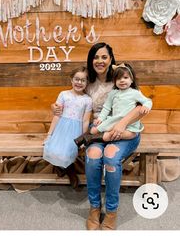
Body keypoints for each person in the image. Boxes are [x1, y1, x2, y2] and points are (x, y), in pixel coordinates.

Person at [52, 42, 146, 230]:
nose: (100, 61)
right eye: (96, 57)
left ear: (111, 59)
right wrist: (55, 108)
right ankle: (95, 208)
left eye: (104, 57)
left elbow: (140, 107)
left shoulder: (121, 77)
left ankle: (111, 211)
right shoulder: (88, 81)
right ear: (91, 60)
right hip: (97, 132)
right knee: (94, 157)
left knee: (111, 158)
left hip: (123, 131)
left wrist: (121, 124)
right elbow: (72, 99)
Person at [75, 62, 152, 145]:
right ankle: (82, 138)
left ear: (132, 80)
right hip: (114, 120)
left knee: (129, 134)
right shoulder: (113, 93)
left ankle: (92, 138)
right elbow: (106, 108)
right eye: (118, 79)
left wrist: (146, 106)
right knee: (94, 130)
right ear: (114, 81)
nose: (122, 80)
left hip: (130, 124)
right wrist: (100, 119)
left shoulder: (135, 93)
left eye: (125, 78)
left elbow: (147, 101)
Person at [43, 66, 92, 189]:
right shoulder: (63, 94)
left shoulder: (87, 100)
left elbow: (85, 120)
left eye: (83, 80)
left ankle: (69, 172)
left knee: (69, 151)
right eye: (77, 79)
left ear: (87, 83)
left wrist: (82, 138)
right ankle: (65, 168)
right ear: (71, 79)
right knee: (52, 149)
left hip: (75, 130)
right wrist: (49, 134)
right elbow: (57, 116)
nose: (79, 82)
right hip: (61, 128)